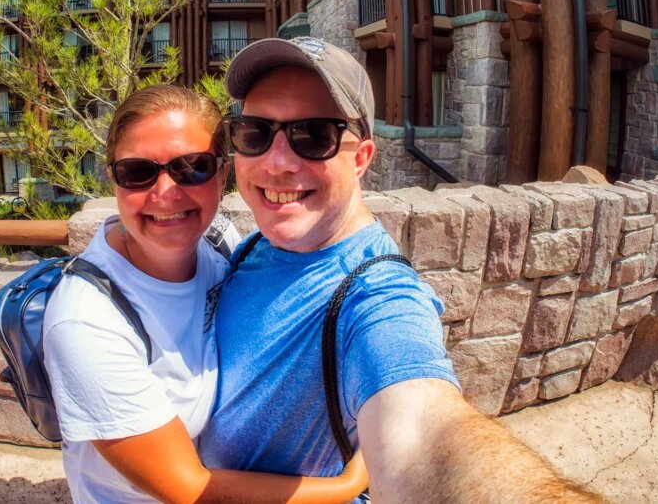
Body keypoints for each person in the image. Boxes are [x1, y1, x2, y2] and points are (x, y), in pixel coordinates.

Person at [199, 37, 599, 502]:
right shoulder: (257, 245)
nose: (278, 162)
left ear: (363, 157)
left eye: (314, 136)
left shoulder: (375, 294)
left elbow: (425, 436)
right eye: (255, 132)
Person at [42, 84, 369, 503]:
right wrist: (350, 482)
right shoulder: (86, 322)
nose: (164, 192)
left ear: (222, 173)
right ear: (113, 179)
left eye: (191, 167)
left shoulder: (218, 243)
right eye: (137, 172)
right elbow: (192, 489)